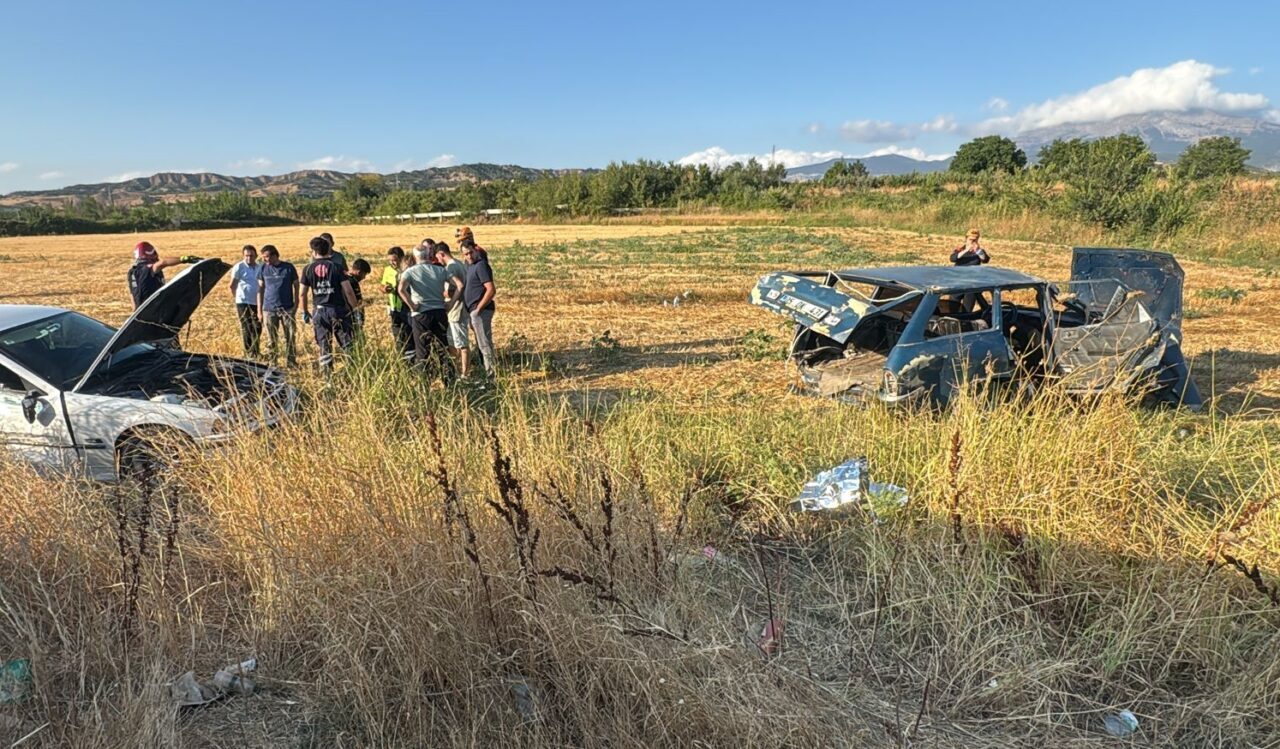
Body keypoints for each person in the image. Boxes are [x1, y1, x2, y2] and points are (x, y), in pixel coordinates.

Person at [300, 236, 358, 371]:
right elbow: (348, 291)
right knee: (346, 343)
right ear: (329, 250)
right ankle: (353, 372)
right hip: (337, 310)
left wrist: (305, 311)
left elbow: (302, 293)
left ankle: (328, 378)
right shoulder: (336, 267)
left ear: (313, 252)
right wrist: (355, 309)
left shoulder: (307, 269)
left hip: (319, 311)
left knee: (324, 345)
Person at [398, 244, 454, 380]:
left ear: (415, 257)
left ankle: (425, 382)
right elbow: (460, 284)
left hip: (421, 314)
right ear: (429, 255)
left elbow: (401, 289)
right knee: (442, 348)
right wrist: (451, 303)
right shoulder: (440, 270)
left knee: (422, 350)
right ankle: (449, 382)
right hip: (440, 312)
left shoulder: (410, 272)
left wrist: (412, 306)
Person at [257, 245, 300, 367]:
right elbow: (260, 290)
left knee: (290, 336)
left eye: (267, 257)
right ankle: (273, 362)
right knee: (271, 338)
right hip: (269, 309)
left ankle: (291, 361)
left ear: (275, 255)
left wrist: (296, 305)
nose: (265, 260)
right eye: (263, 257)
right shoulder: (263, 268)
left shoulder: (288, 268)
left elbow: (296, 285)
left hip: (287, 309)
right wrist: (259, 311)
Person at [461, 237, 497, 376]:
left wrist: (478, 309)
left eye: (471, 253)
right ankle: (488, 372)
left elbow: (490, 289)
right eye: (465, 254)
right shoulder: (469, 266)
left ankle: (491, 375)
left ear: (476, 250)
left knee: (484, 344)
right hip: (474, 310)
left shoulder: (481, 265)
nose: (469, 256)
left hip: (481, 311)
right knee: (482, 343)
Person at [127, 241, 201, 308]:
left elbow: (132, 294)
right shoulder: (148, 268)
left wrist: (135, 312)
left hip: (140, 309)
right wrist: (184, 259)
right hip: (153, 307)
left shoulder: (132, 272)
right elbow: (162, 263)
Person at [436, 242, 470, 376]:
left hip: (456, 309)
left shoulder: (451, 268)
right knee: (456, 342)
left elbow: (457, 288)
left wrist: (448, 297)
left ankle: (464, 373)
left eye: (437, 257)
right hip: (458, 309)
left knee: (461, 343)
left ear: (442, 254)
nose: (438, 260)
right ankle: (459, 370)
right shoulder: (459, 264)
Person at [229, 245, 262, 357]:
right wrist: (237, 298)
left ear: (256, 256)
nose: (249, 258)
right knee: (247, 327)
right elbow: (232, 285)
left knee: (257, 327)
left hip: (257, 301)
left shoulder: (260, 267)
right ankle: (249, 352)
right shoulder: (239, 267)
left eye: (251, 255)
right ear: (243, 256)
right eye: (246, 255)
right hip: (243, 302)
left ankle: (256, 350)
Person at [381, 247, 414, 360]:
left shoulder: (408, 270)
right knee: (398, 335)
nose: (392, 263)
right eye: (390, 260)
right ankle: (402, 358)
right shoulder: (387, 270)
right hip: (394, 307)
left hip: (406, 307)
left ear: (401, 258)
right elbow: (382, 285)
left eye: (394, 260)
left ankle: (411, 358)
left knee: (408, 334)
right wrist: (385, 289)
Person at [348, 258, 371, 332]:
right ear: (359, 272)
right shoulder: (352, 282)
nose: (364, 277)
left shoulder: (347, 279)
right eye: (364, 274)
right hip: (352, 317)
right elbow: (355, 302)